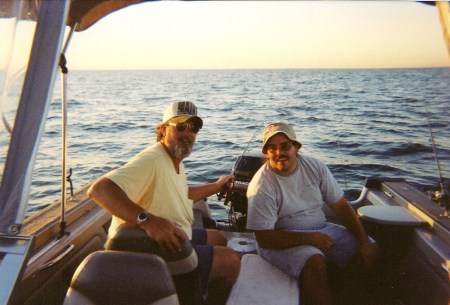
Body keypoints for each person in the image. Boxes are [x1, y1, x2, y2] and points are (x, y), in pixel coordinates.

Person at [88, 100, 240, 305]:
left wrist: (217, 185)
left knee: (219, 238)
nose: (188, 133)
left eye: (194, 128)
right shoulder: (152, 160)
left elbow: (182, 193)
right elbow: (100, 190)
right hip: (147, 251)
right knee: (231, 261)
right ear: (163, 129)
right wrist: (147, 220)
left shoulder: (174, 160)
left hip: (177, 233)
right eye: (180, 126)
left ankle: (199, 289)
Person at [246, 122, 379, 305]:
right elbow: (264, 239)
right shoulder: (262, 184)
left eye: (285, 146)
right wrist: (310, 239)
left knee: (370, 246)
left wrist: (363, 240)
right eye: (272, 148)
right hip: (277, 240)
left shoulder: (314, 166)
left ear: (296, 147)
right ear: (266, 152)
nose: (279, 153)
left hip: (319, 228)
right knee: (314, 261)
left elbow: (340, 205)